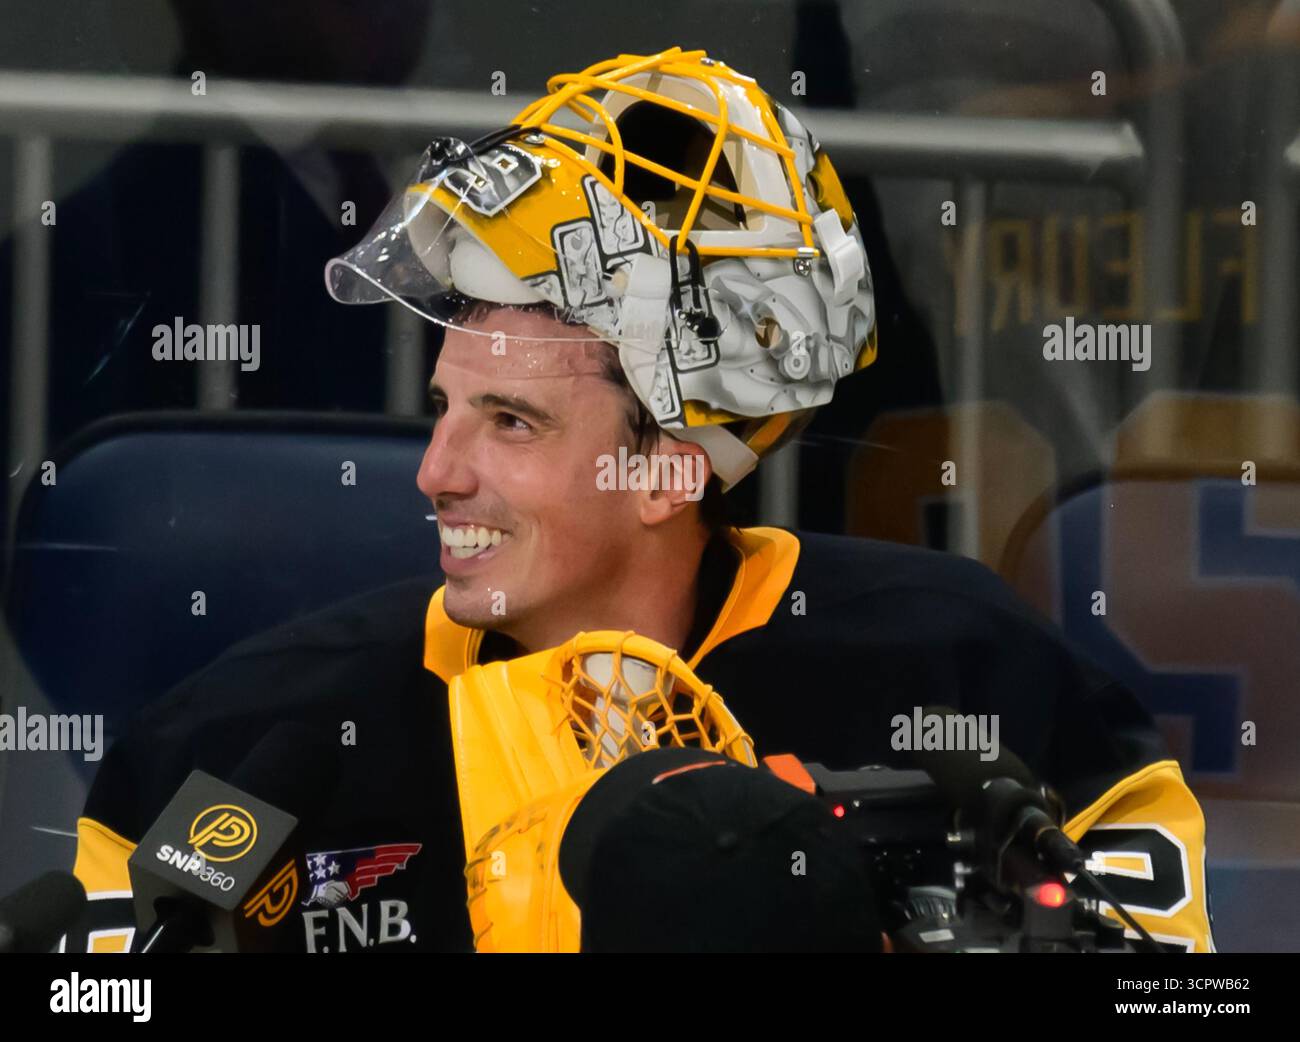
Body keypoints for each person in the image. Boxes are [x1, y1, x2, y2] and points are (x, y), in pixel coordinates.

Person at [68, 46, 1213, 953]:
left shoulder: (977, 681)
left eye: (511, 422)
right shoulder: (232, 748)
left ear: (674, 464)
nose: (435, 472)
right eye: (446, 407)